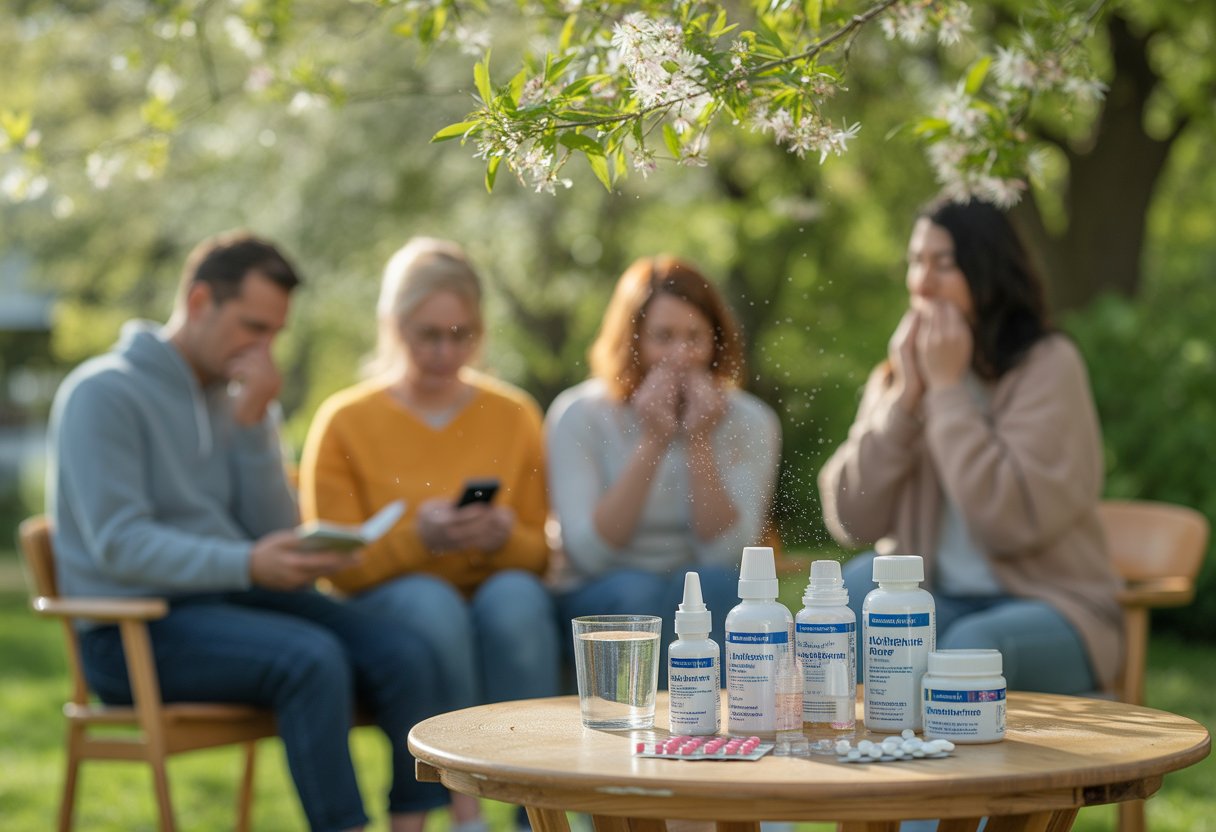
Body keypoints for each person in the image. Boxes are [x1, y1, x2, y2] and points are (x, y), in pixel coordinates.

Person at [46, 231, 445, 832]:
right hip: (133, 631)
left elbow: (270, 530)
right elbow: (119, 544)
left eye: (275, 334)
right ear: (201, 300)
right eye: (253, 328)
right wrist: (247, 564)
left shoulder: (236, 394)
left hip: (234, 606)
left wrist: (256, 423)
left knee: (405, 652)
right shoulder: (102, 394)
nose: (264, 350)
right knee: (312, 660)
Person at [299, 237, 558, 832]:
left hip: (493, 587)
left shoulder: (513, 414)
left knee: (518, 601)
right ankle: (464, 808)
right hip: (392, 600)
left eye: (462, 334)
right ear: (393, 327)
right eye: (428, 334)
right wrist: (421, 538)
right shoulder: (345, 419)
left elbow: (541, 554)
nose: (446, 351)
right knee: (432, 603)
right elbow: (335, 566)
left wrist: (501, 536)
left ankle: (537, 808)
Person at [818, 198, 1123, 697]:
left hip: (1055, 611)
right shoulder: (901, 379)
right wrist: (904, 402)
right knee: (845, 598)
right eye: (916, 261)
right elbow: (851, 521)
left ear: (989, 269)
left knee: (966, 649)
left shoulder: (1047, 366)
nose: (923, 282)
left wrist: (946, 391)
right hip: (936, 598)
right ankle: (849, 765)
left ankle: (936, 771)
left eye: (945, 263)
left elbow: (1006, 525)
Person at [546, 255, 782, 663]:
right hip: (605, 591)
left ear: (716, 342)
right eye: (663, 337)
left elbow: (727, 555)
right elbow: (589, 554)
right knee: (637, 592)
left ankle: (722, 724)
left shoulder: (751, 420)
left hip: (698, 586)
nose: (680, 355)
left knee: (716, 587)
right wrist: (653, 440)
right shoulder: (578, 415)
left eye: (694, 337)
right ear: (631, 341)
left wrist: (699, 440)